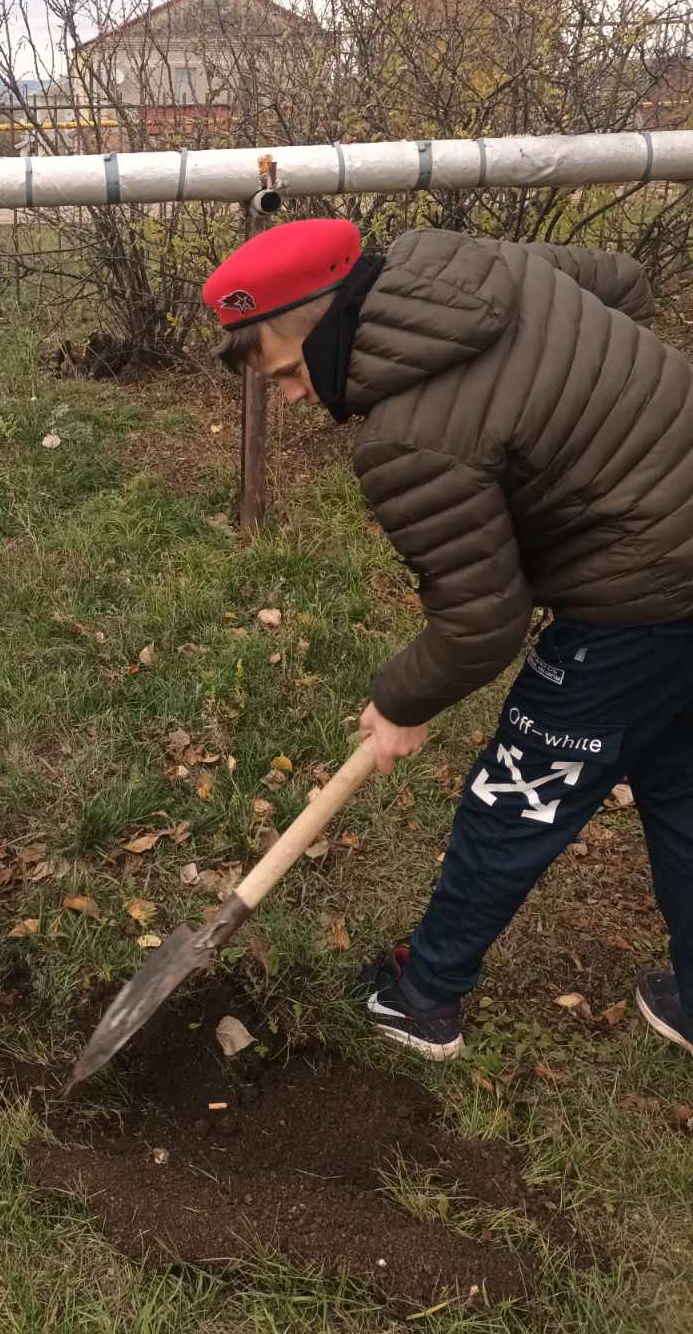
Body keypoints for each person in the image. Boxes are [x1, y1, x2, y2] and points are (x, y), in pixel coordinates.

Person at [204, 218, 693, 1063]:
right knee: (683, 783)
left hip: (642, 590)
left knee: (518, 794)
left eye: (284, 374)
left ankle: (424, 996)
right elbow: (622, 285)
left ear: (325, 318)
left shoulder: (410, 437)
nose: (288, 397)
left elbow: (481, 622)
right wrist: (614, 427)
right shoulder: (455, 264)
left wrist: (401, 701)